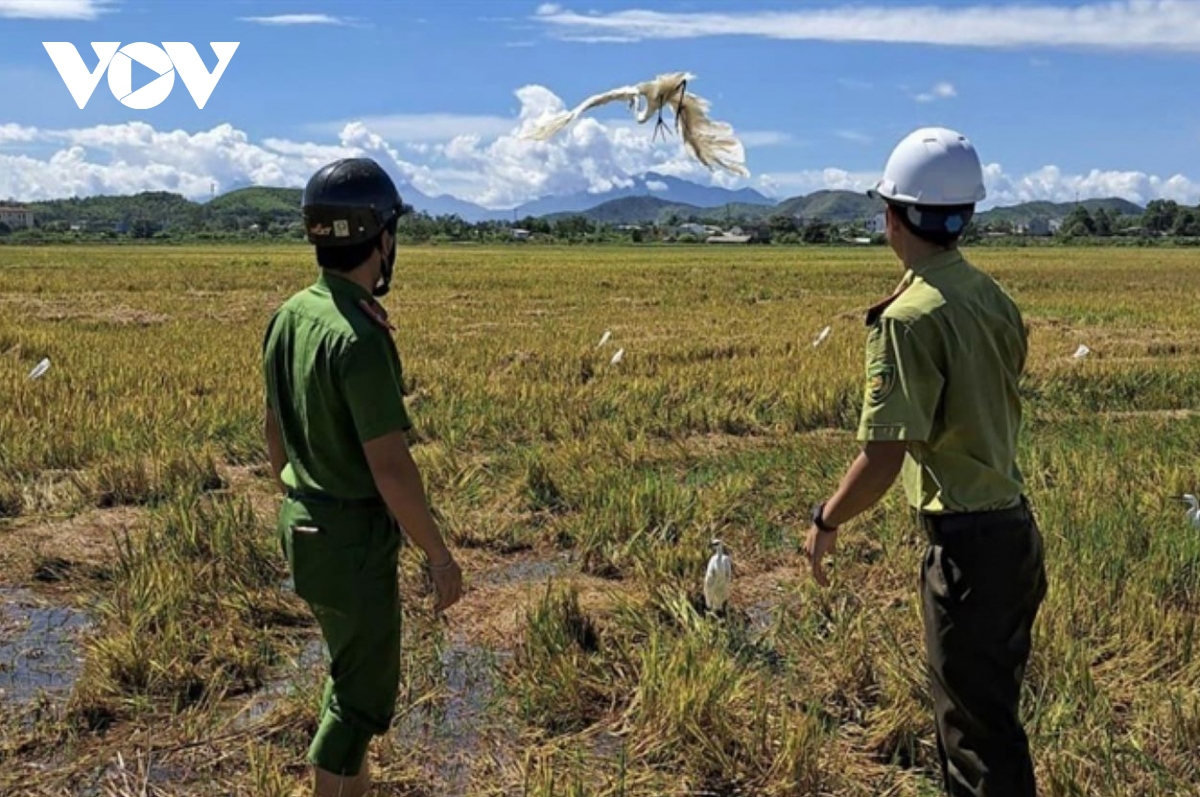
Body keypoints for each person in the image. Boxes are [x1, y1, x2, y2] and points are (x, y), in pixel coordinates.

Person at [802, 127, 1048, 796]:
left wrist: (825, 519)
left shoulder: (908, 318)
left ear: (891, 216)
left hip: (967, 553)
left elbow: (882, 458)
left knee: (972, 743)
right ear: (965, 216)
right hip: (1016, 538)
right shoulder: (994, 299)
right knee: (991, 724)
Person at [261, 157, 463, 797]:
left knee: (346, 672)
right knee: (361, 703)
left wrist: (303, 494)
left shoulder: (293, 314)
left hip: (305, 525)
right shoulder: (360, 337)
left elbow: (274, 430)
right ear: (381, 238)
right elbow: (391, 467)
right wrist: (439, 556)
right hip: (351, 541)